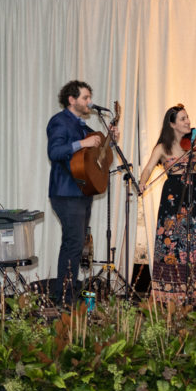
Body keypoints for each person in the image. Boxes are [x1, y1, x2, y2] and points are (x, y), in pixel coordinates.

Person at [138, 104, 196, 302]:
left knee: (195, 240)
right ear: (172, 124)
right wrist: (142, 183)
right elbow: (148, 168)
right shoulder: (162, 147)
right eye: (183, 119)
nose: (188, 122)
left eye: (188, 118)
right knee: (171, 241)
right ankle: (169, 293)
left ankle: (195, 293)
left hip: (195, 193)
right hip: (172, 196)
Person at [46, 80, 117, 306]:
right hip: (66, 193)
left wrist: (110, 141)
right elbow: (55, 151)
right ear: (72, 99)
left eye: (89, 98)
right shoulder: (60, 121)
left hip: (82, 192)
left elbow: (95, 157)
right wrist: (82, 142)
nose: (89, 102)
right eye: (85, 98)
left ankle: (70, 295)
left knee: (77, 245)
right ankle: (63, 299)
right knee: (73, 244)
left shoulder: (83, 126)